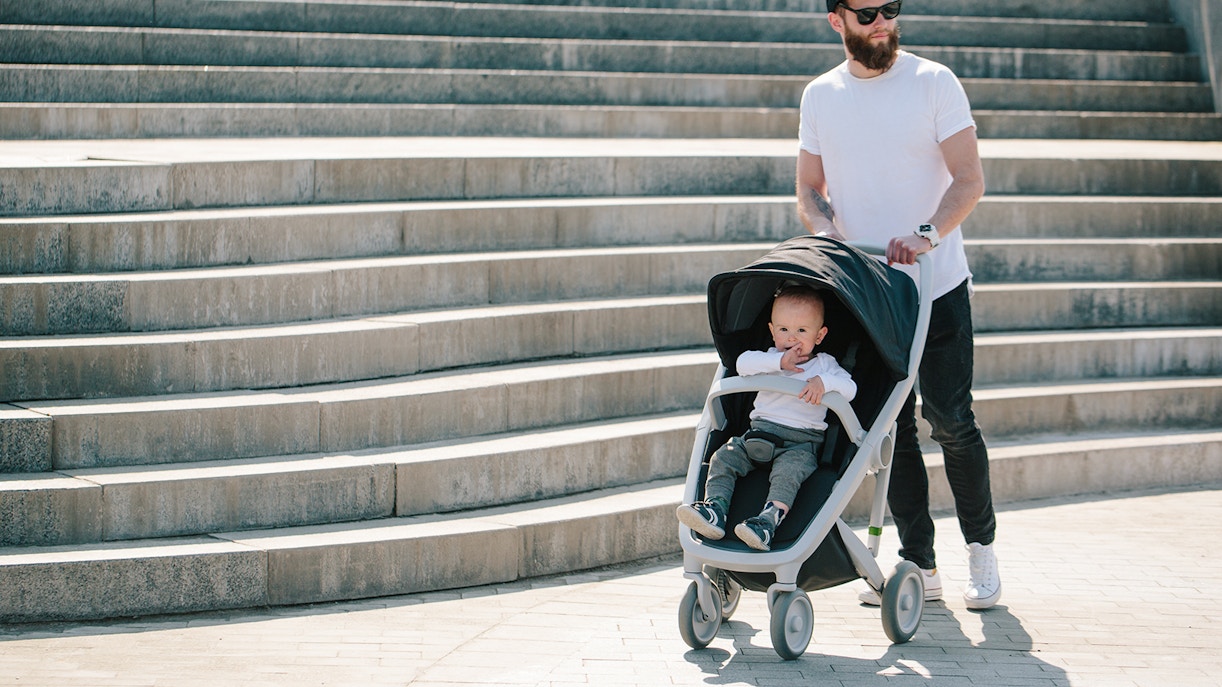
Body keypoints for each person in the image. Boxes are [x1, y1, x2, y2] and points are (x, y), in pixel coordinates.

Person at [793, 0, 1002, 609]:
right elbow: (809, 188)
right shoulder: (821, 95)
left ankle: (982, 551)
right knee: (892, 427)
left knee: (952, 421)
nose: (882, 21)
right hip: (870, 292)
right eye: (867, 14)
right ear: (837, 21)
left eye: (891, 9)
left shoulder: (934, 81)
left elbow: (969, 179)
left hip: (936, 284)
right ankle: (920, 563)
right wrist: (825, 231)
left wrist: (927, 234)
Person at [677, 286, 856, 552]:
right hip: (756, 435)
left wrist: (824, 383)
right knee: (723, 457)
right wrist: (779, 362)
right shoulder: (768, 359)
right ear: (772, 331)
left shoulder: (825, 365)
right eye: (783, 329)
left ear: (819, 335)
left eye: (802, 331)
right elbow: (741, 364)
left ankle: (767, 522)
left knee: (788, 474)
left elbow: (850, 389)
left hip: (800, 443)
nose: (791, 338)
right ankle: (715, 509)